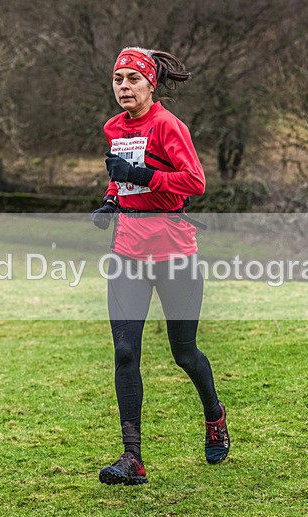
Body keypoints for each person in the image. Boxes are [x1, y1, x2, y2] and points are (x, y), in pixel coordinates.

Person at [91, 47, 229, 485]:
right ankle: (133, 457)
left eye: (133, 79)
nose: (125, 87)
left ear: (151, 83)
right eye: (118, 80)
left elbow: (195, 182)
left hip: (173, 252)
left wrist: (143, 177)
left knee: (184, 352)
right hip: (128, 251)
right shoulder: (114, 127)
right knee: (125, 351)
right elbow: (120, 171)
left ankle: (214, 414)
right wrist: (112, 200)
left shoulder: (169, 125)